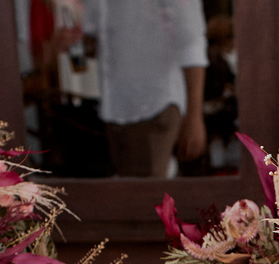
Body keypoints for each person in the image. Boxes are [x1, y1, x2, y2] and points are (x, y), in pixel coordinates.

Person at [83, 0, 208, 177]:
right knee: (129, 195)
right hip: (114, 108)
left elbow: (192, 42)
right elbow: (96, 37)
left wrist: (194, 117)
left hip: (153, 104)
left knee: (146, 197)